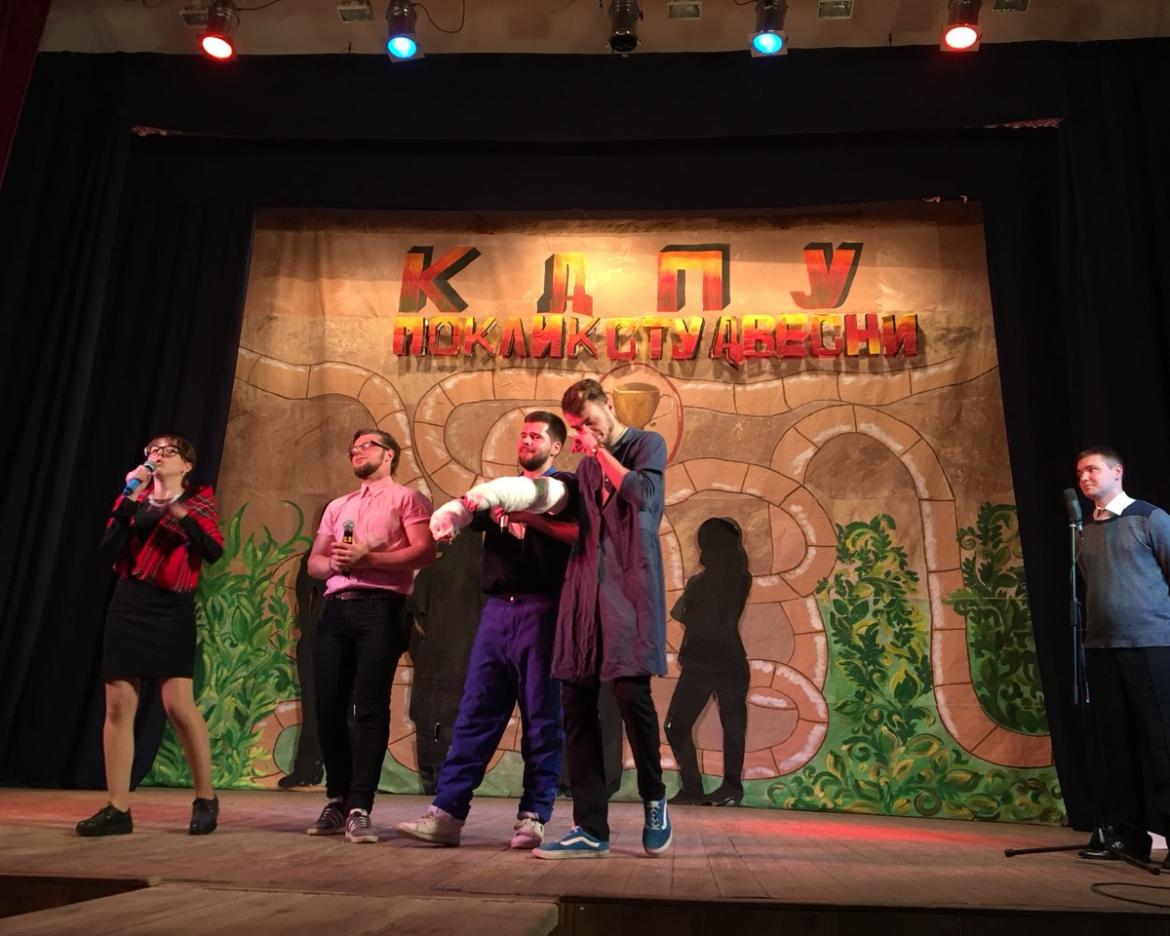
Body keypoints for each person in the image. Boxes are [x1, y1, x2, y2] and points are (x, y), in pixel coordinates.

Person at [396, 412, 577, 848]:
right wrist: (449, 519)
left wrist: (502, 504)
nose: (526, 441)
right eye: (523, 435)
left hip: (542, 612)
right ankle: (447, 814)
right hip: (497, 613)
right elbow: (469, 508)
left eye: (536, 436)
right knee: (475, 713)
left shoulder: (564, 488)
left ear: (555, 447)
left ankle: (533, 816)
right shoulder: (496, 493)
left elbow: (537, 502)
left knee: (542, 717)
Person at [535, 378, 672, 859]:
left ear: (608, 405)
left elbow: (642, 494)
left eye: (588, 422)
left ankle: (654, 797)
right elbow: (582, 528)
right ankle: (591, 827)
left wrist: (598, 451)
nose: (583, 433)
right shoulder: (587, 467)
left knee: (632, 695)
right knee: (575, 702)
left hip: (630, 587)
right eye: (576, 428)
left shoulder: (646, 444)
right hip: (585, 589)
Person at [76, 435, 225, 837]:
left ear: (187, 464)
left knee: (178, 704)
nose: (158, 456)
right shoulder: (135, 498)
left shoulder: (199, 501)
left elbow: (212, 550)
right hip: (129, 602)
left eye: (167, 451)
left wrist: (180, 514)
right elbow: (109, 545)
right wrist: (130, 494)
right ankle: (117, 807)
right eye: (152, 451)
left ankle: (205, 797)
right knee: (119, 703)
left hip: (172, 607)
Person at [304, 428, 435, 844]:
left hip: (381, 607)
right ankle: (338, 798)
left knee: (371, 708)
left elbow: (425, 551)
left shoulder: (408, 499)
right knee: (327, 707)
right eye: (353, 449)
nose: (357, 452)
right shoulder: (338, 506)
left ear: (389, 454)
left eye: (367, 446)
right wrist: (335, 564)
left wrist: (369, 558)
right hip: (336, 607)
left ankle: (360, 805)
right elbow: (314, 562)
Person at [1075, 446, 1170, 867]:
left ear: (1117, 472)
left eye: (1092, 470)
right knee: (1115, 744)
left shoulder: (1150, 518)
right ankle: (1128, 836)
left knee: (1160, 742)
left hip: (1150, 645)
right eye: (1080, 472)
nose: (1085, 478)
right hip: (1101, 647)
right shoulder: (1083, 529)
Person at [665, 516, 752, 807]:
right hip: (731, 661)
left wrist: (693, 613)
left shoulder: (701, 582)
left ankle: (693, 787)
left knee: (677, 725)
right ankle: (731, 787)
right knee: (732, 726)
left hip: (703, 662)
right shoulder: (741, 578)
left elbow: (680, 613)